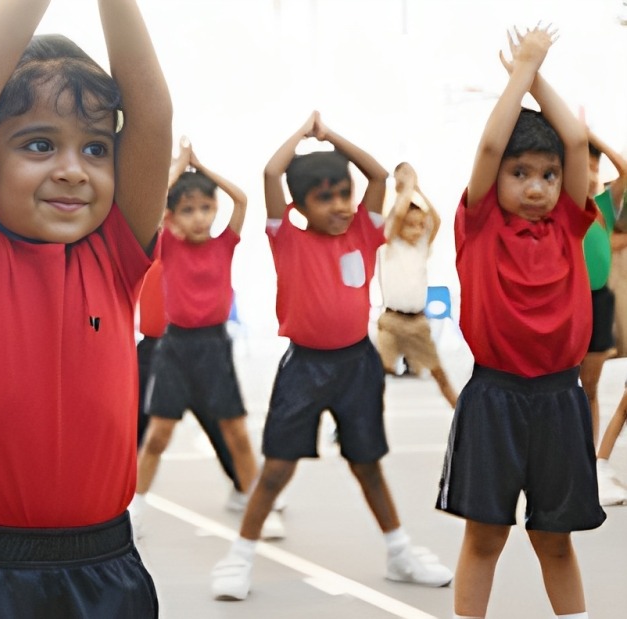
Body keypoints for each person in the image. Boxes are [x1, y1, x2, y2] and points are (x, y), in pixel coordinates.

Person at [0, 0, 172, 616]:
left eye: (97, 149)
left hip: (106, 571)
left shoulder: (114, 257)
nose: (73, 171)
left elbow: (152, 116)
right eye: (39, 144)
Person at [210, 111, 453, 602]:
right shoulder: (288, 239)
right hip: (305, 367)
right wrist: (303, 134)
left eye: (344, 193)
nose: (341, 205)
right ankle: (240, 556)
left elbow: (380, 176)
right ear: (299, 206)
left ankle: (399, 551)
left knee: (368, 463)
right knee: (277, 467)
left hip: (357, 365)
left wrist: (333, 137)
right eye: (326, 198)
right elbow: (270, 174)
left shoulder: (364, 231)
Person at [436, 26, 606, 619]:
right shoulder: (480, 224)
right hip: (496, 396)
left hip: (560, 399)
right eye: (521, 173)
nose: (537, 187)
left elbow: (578, 141)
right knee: (486, 537)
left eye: (548, 175)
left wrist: (535, 73)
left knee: (554, 539)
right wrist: (517, 77)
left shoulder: (567, 223)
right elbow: (488, 151)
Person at [131, 138, 280, 538]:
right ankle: (136, 510)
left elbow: (242, 199)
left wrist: (203, 167)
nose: (199, 217)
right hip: (175, 347)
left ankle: (257, 505)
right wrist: (180, 163)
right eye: (188, 210)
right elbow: (155, 201)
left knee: (235, 432)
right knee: (158, 434)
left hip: (214, 346)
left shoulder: (224, 243)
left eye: (205, 208)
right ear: (173, 216)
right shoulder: (169, 246)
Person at [376, 161, 458, 409]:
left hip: (417, 322)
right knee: (376, 376)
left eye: (420, 225)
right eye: (411, 225)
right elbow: (398, 214)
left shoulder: (422, 247)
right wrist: (406, 188)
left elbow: (437, 220)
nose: (418, 229)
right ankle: (353, 425)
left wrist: (418, 189)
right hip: (391, 322)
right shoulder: (389, 245)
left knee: (439, 374)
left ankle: (462, 414)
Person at [579, 130, 627, 447]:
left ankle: (589, 460)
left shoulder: (602, 207)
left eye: (595, 167)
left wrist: (592, 137)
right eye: (584, 166)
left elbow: (625, 170)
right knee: (565, 387)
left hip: (599, 301)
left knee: (590, 389)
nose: (591, 174)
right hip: (572, 301)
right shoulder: (563, 210)